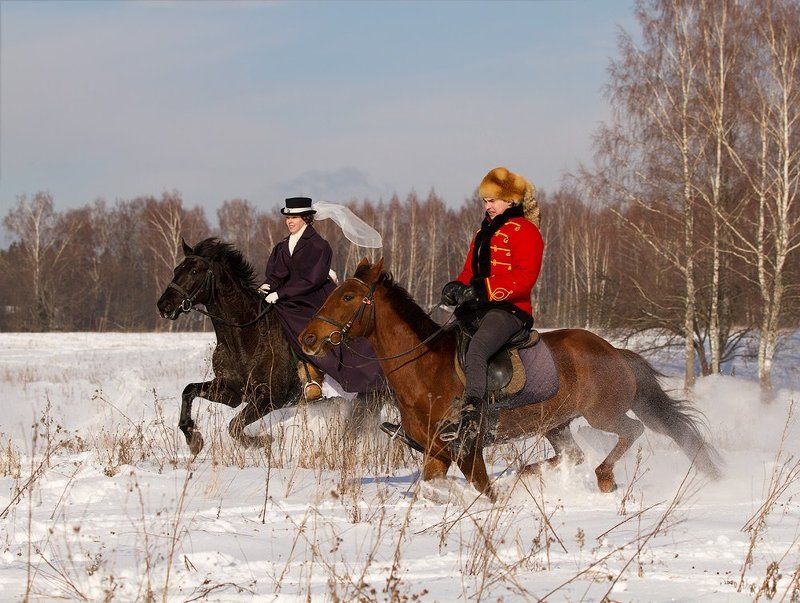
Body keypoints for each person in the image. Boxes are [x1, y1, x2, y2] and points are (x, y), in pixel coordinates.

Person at [439, 167, 544, 456]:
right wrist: (457, 287)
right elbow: (467, 271)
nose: (487, 206)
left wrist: (483, 289)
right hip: (477, 308)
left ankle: (472, 419)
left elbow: (526, 278)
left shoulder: (527, 231)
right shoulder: (483, 232)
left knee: (477, 350)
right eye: (485, 201)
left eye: (492, 201)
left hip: (510, 310)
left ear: (510, 200)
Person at [260, 196, 384, 397]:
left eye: (295, 217)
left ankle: (313, 376)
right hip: (288, 297)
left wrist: (280, 293)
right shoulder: (282, 246)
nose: (290, 221)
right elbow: (276, 273)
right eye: (288, 218)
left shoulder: (319, 245)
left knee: (305, 327)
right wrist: (268, 285)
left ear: (306, 219)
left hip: (313, 298)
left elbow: (312, 279)